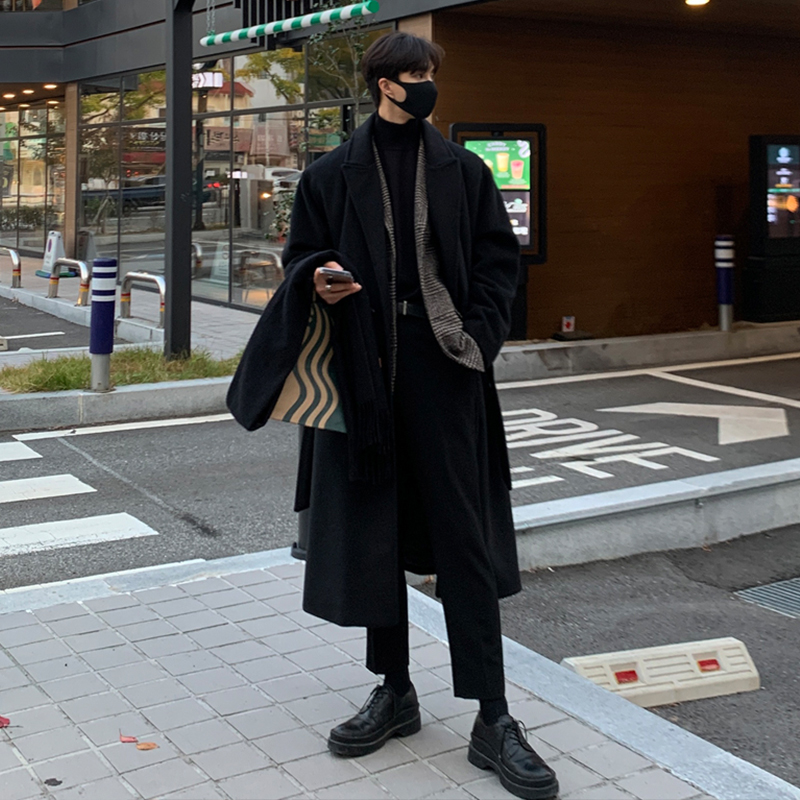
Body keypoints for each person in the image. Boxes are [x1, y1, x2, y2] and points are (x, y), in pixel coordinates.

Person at [229, 30, 558, 800]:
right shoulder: (330, 173)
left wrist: (478, 339)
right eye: (415, 73)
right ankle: (396, 689)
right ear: (383, 82)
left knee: (464, 537)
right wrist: (320, 277)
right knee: (376, 529)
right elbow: (300, 257)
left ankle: (493, 715)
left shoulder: (464, 170)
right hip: (361, 370)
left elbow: (499, 263)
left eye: (430, 72)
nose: (426, 83)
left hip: (446, 369)